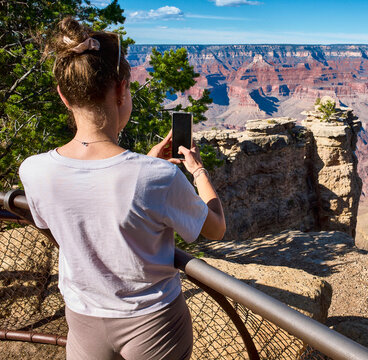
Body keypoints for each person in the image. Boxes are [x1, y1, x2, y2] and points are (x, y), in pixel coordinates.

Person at [18, 17, 225, 360]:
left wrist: (144, 164)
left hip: (83, 319)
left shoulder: (34, 170)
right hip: (154, 323)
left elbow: (73, 214)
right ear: (122, 90)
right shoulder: (157, 177)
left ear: (63, 96)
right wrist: (198, 171)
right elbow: (216, 228)